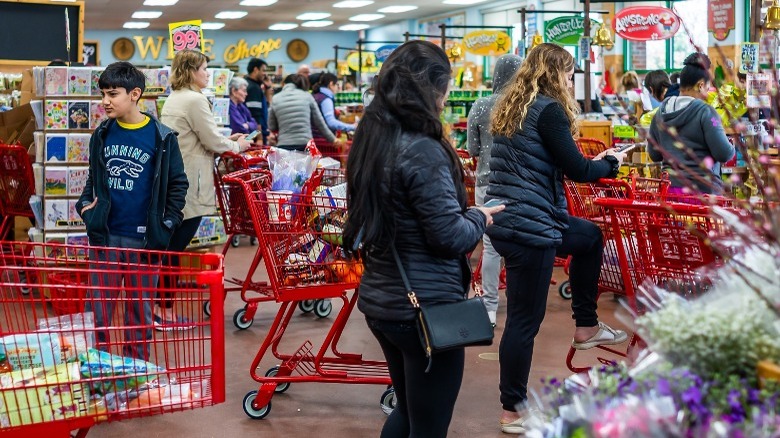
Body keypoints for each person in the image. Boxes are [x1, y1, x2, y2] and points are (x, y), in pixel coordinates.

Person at [343, 40, 504, 438]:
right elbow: (449, 237)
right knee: (427, 426)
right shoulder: (423, 149)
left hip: (384, 301)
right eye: (446, 87)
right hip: (424, 308)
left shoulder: (372, 137)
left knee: (409, 415)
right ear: (430, 88)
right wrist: (478, 217)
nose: (448, 97)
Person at [486, 43, 629, 434]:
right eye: (568, 72)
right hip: (530, 227)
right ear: (554, 73)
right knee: (523, 322)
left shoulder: (513, 106)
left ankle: (586, 326)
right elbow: (578, 168)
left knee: (588, 236)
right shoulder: (548, 110)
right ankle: (512, 409)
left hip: (512, 218)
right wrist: (611, 164)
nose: (571, 79)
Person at [77, 61, 188, 360]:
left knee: (139, 316)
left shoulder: (161, 137)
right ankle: (93, 368)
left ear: (135, 94)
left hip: (145, 241)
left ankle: (135, 372)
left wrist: (167, 223)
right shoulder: (101, 134)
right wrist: (86, 209)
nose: (105, 101)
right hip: (106, 238)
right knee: (96, 314)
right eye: (103, 94)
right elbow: (93, 177)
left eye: (112, 94)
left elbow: (178, 184)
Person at [159, 49, 251, 329]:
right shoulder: (196, 99)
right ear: (190, 71)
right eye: (204, 68)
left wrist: (225, 138)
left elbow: (198, 136)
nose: (207, 73)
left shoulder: (175, 98)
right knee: (174, 249)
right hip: (190, 183)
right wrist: (237, 145)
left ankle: (159, 307)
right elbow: (211, 140)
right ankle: (163, 311)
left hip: (174, 179)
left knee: (169, 247)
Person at [467, 54, 522, 326]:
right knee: (520, 243)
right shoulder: (523, 106)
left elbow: (472, 149)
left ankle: (490, 308)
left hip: (486, 184)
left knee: (490, 247)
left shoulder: (480, 105)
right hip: (519, 184)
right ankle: (520, 306)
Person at [648, 53, 735, 194]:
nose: (708, 92)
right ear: (700, 85)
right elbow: (723, 153)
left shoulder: (660, 112)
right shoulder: (706, 112)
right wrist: (731, 145)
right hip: (703, 195)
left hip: (670, 193)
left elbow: (654, 154)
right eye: (708, 87)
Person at [268, 74, 340, 151]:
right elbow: (319, 123)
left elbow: (272, 126)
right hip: (305, 144)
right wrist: (333, 139)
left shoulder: (275, 98)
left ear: (284, 84)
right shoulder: (307, 96)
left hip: (284, 145)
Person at [311, 72, 356, 138]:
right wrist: (353, 127)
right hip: (322, 139)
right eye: (337, 85)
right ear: (331, 84)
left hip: (314, 138)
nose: (338, 88)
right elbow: (331, 122)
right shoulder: (326, 99)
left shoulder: (315, 95)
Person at [245, 58, 274, 144]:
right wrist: (259, 138)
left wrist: (268, 88)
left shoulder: (252, 85)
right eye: (263, 70)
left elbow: (267, 106)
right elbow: (255, 116)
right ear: (256, 69)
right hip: (254, 136)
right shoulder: (253, 88)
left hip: (253, 134)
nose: (265, 74)